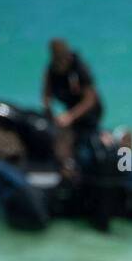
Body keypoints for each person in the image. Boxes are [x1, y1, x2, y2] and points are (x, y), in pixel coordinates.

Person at [41, 38, 103, 178]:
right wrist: (48, 110)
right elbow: (46, 95)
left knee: (70, 136)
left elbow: (90, 99)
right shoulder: (52, 69)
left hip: (89, 110)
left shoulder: (79, 69)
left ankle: (72, 169)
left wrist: (70, 116)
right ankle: (66, 167)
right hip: (70, 109)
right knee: (60, 134)